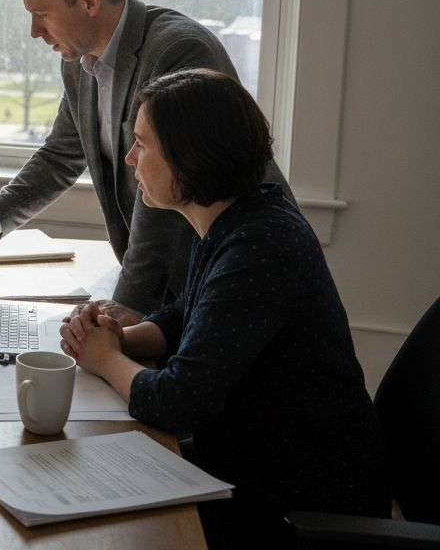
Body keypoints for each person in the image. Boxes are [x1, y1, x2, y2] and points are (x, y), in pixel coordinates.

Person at [60, 69, 387, 546]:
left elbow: (179, 401)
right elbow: (186, 315)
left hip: (299, 499)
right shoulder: (238, 217)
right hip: (259, 462)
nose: (130, 158)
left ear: (189, 156)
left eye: (142, 144)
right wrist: (117, 337)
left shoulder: (259, 247)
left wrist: (105, 359)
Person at [0, 0, 289, 324]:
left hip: (230, 276)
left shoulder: (178, 52)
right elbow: (59, 156)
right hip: (169, 293)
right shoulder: (79, 61)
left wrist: (125, 309)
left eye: (41, 15)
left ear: (89, 0)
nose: (34, 32)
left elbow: (167, 190)